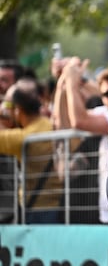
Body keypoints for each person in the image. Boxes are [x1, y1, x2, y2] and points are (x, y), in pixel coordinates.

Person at [59, 58, 108, 224]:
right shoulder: (105, 111)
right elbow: (66, 124)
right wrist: (63, 84)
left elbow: (79, 121)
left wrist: (72, 82)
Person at [0, 77, 63, 223]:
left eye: (8, 103)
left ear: (18, 109)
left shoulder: (24, 138)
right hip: (57, 205)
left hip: (37, 209)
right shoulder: (48, 124)